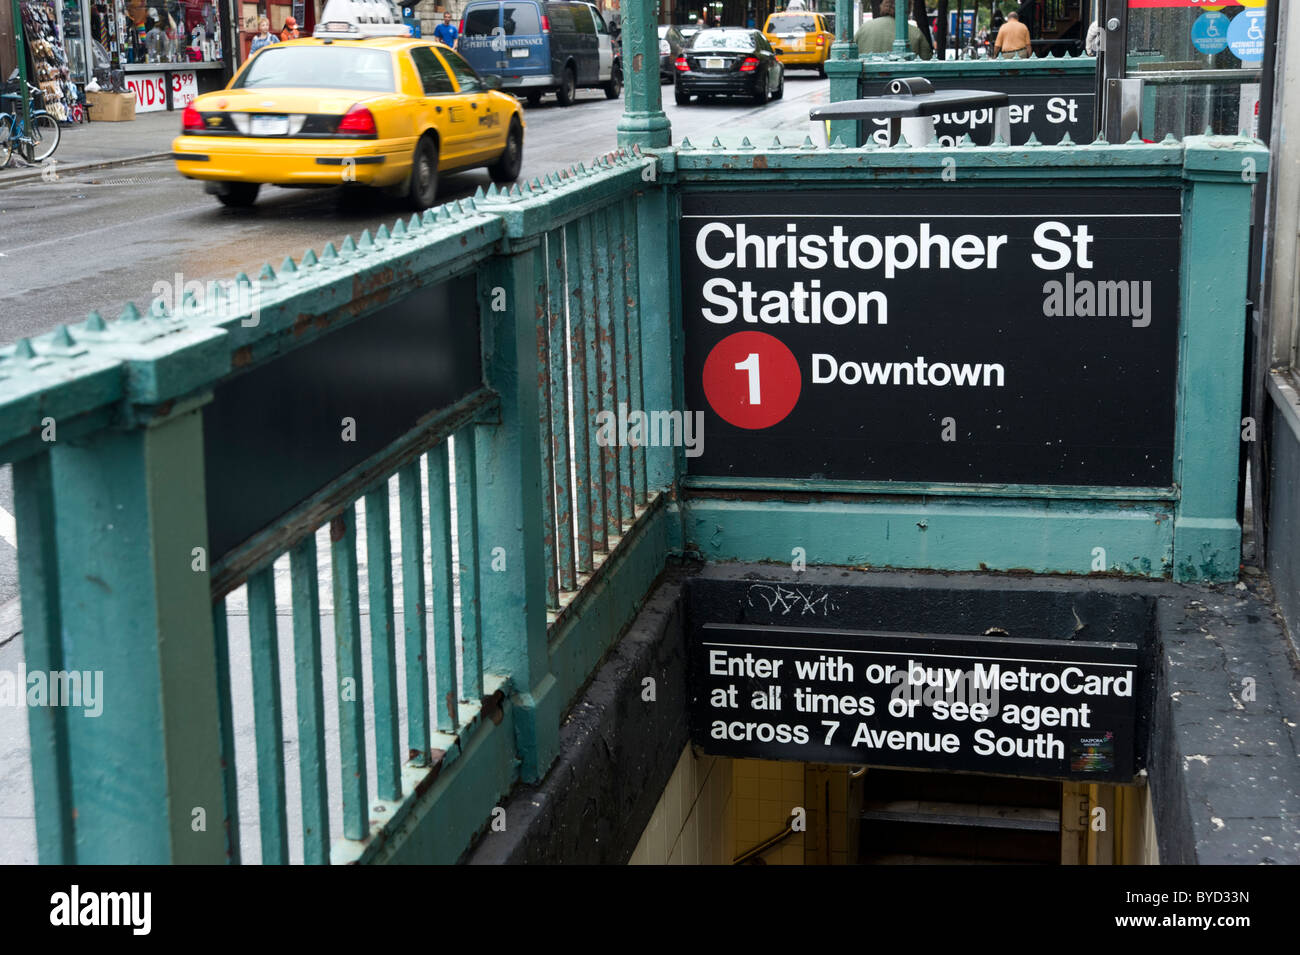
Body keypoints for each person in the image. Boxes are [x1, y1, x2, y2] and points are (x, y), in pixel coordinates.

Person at [854, 0, 931, 59]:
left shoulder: (864, 28)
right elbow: (927, 60)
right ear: (907, 8)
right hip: (902, 78)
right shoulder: (915, 33)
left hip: (868, 78)